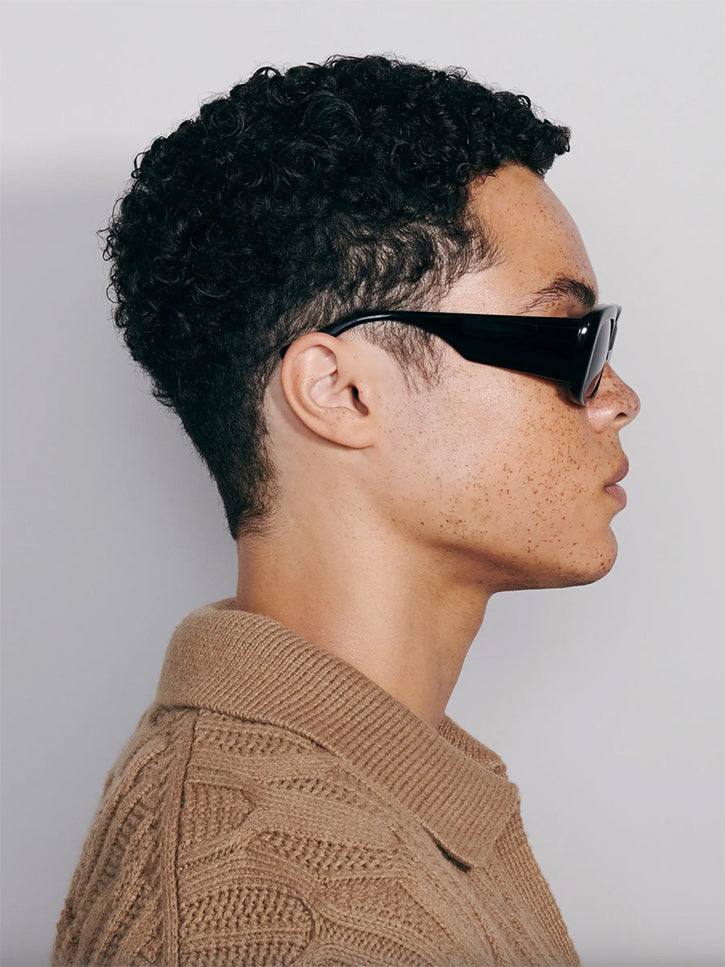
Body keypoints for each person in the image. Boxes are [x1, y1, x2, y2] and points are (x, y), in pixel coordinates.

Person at [51, 53, 640, 967]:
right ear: (341, 391)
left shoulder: (371, 790)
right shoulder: (277, 921)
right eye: (567, 339)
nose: (618, 398)